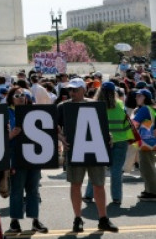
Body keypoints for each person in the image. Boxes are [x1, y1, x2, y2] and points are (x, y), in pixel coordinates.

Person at [57, 77, 119, 233]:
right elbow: (54, 126)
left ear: (83, 90)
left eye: (75, 90)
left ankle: (103, 218)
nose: (72, 92)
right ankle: (77, 218)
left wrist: (108, 136)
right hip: (74, 149)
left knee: (99, 184)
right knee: (75, 184)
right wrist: (61, 138)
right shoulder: (63, 106)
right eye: (70, 90)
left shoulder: (94, 104)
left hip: (95, 149)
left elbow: (102, 125)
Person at [84, 81, 133, 206]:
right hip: (121, 140)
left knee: (96, 170)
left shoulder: (95, 106)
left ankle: (89, 195)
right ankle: (117, 198)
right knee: (116, 171)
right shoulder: (120, 104)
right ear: (114, 92)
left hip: (101, 141)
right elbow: (126, 123)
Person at [6, 87, 48, 234]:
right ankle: (14, 221)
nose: (21, 98)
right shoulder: (6, 113)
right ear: (11, 98)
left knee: (33, 189)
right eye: (17, 95)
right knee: (17, 190)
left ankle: (35, 220)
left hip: (33, 155)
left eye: (23, 95)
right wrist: (11, 135)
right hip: (16, 155)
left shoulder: (33, 112)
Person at [131, 88, 156, 200]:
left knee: (146, 167)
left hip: (146, 142)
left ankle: (152, 192)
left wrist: (132, 114)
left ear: (145, 98)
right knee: (148, 166)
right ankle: (148, 190)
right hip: (152, 141)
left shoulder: (144, 109)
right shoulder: (152, 108)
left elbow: (134, 123)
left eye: (139, 96)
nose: (136, 98)